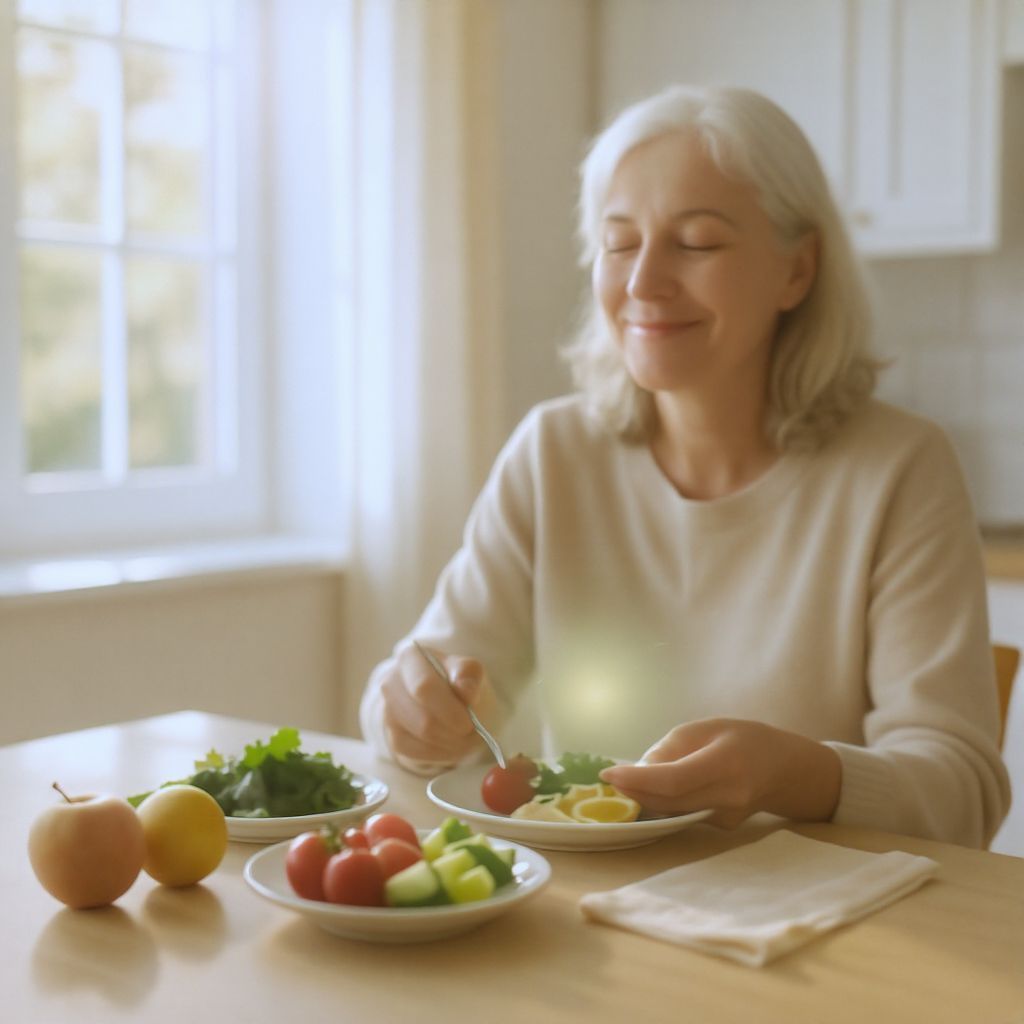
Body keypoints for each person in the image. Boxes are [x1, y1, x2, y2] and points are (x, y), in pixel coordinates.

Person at [359, 84, 1010, 848]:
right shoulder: (553, 453)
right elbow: (417, 683)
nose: (643, 283)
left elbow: (963, 793)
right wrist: (410, 717)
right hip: (596, 915)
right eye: (619, 241)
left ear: (797, 271)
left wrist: (794, 773)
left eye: (696, 242)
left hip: (819, 930)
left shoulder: (901, 468)